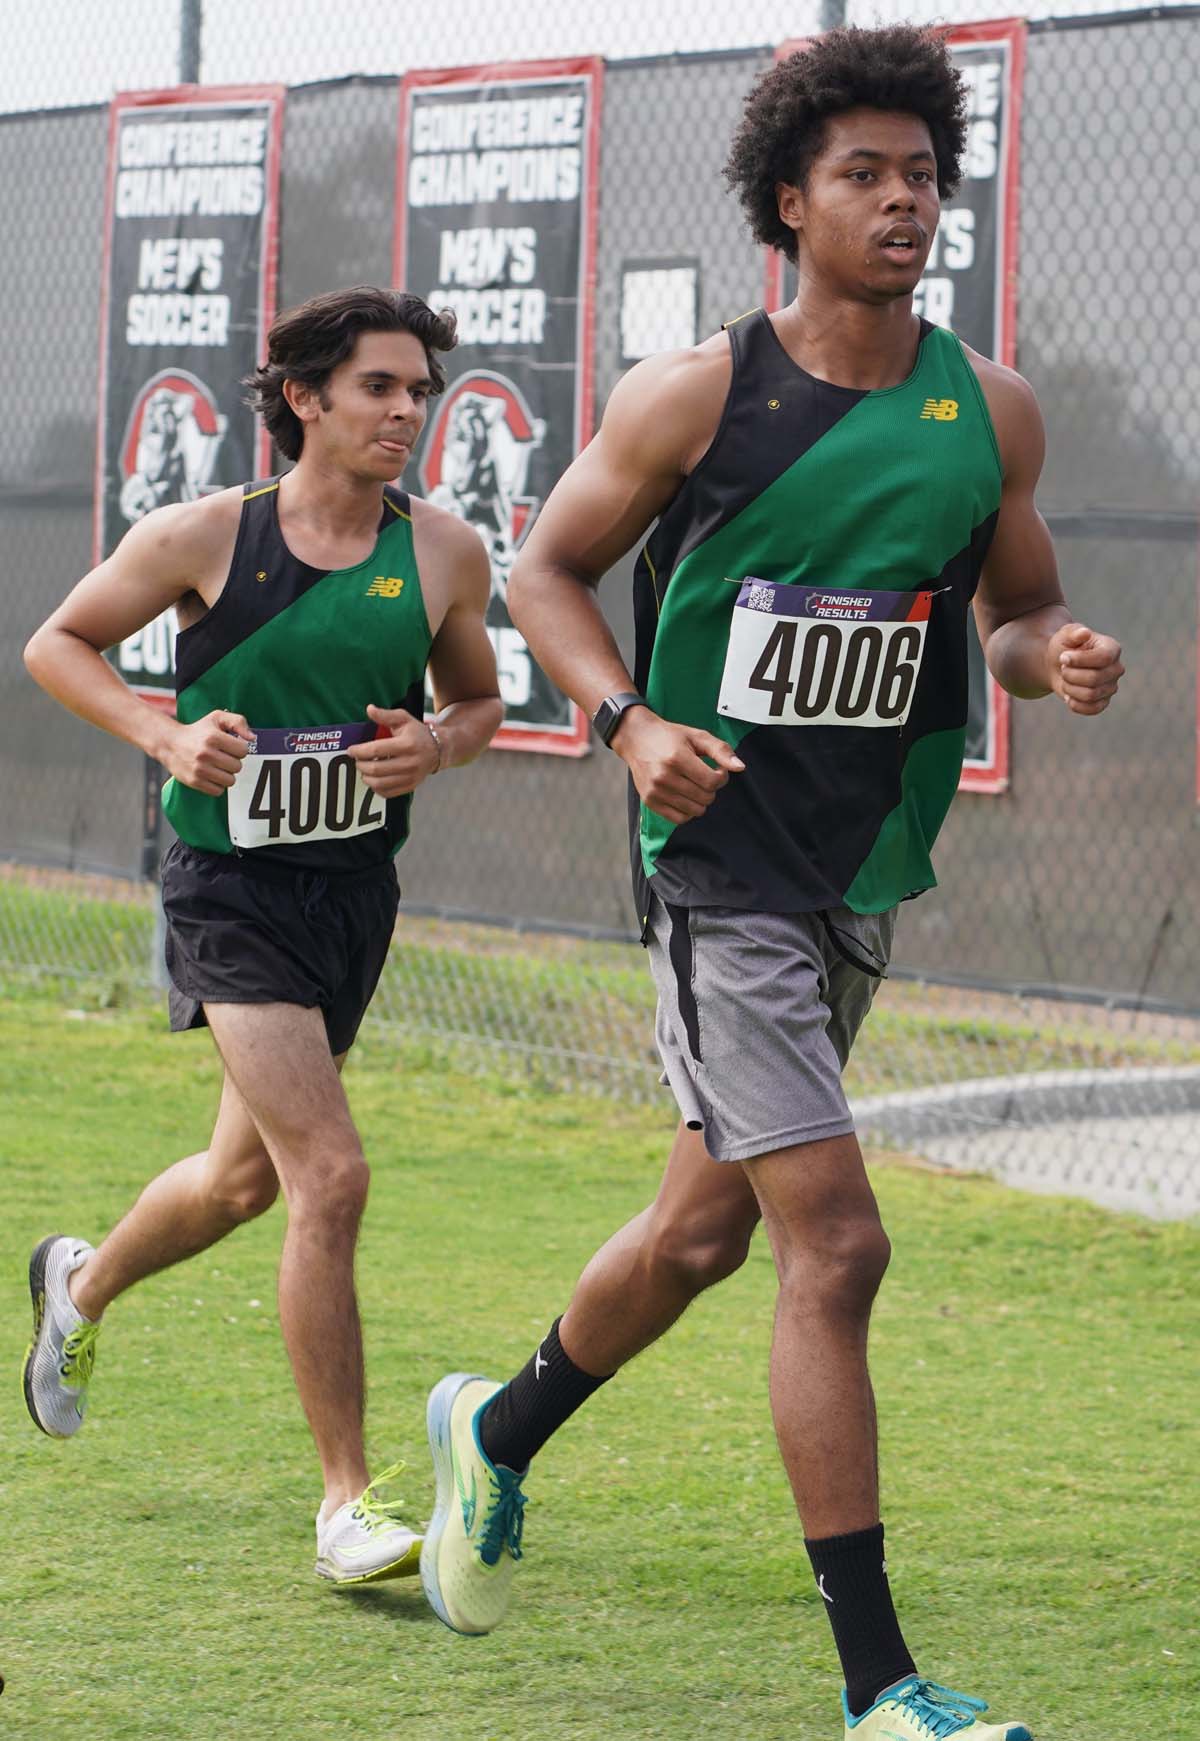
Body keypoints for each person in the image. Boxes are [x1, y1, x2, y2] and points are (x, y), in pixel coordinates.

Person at [416, 27, 1124, 1741]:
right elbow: (550, 566)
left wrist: (1052, 655)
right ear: (788, 202)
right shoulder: (699, 394)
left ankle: (490, 1435)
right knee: (838, 1241)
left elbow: (1011, 609)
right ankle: (882, 1684)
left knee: (702, 1230)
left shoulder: (989, 409)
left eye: (922, 173)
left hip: (854, 868)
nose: (903, 200)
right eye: (864, 175)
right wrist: (627, 716)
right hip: (714, 861)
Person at [22, 285, 503, 1587]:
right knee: (328, 1176)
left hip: (350, 895)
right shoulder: (204, 539)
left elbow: (479, 698)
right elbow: (57, 644)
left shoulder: (445, 553)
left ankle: (77, 1284)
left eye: (420, 391)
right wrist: (167, 735)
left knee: (242, 1182)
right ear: (304, 398)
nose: (407, 411)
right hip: (226, 887)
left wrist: (435, 746)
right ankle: (346, 1502)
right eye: (378, 389)